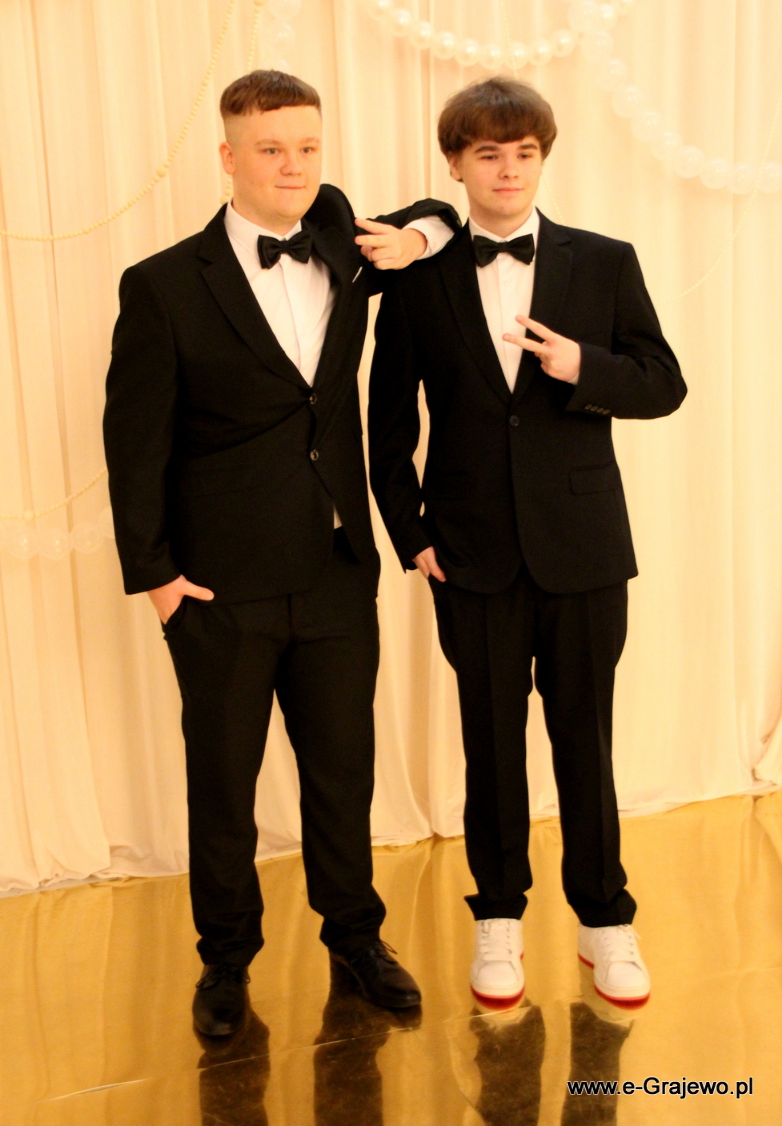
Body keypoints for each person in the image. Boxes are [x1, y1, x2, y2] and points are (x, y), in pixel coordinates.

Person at [103, 70, 455, 1037]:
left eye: (306, 147)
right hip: (217, 585)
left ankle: (356, 937)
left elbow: (441, 216)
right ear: (228, 157)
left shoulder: (342, 238)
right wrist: (156, 577)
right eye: (269, 149)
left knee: (343, 771)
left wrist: (421, 238)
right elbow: (133, 443)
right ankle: (225, 961)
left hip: (336, 568)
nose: (292, 166)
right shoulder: (163, 285)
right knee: (223, 783)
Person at [368, 77, 687, 1008]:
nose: (508, 171)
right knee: (491, 748)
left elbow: (663, 382)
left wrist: (584, 366)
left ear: (543, 158)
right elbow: (387, 426)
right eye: (488, 154)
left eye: (524, 153)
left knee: (586, 740)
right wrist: (413, 537)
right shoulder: (416, 276)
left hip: (584, 549)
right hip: (469, 556)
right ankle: (498, 919)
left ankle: (606, 922)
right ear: (456, 165)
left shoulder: (605, 261)